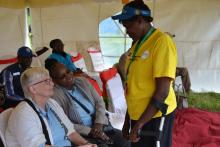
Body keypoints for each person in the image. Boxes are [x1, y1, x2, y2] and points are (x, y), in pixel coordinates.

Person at [112, 1, 177, 147]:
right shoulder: (135, 45)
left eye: (127, 25)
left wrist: (139, 124)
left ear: (140, 21)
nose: (126, 30)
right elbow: (133, 86)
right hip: (138, 115)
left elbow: (162, 92)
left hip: (155, 115)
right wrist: (128, 121)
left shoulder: (161, 42)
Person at [45, 59, 130, 147]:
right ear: (54, 81)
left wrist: (99, 123)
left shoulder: (82, 81)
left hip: (100, 125)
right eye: (63, 76)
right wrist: (90, 131)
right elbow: (64, 123)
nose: (69, 76)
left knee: (123, 140)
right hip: (82, 133)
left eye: (68, 71)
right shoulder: (54, 96)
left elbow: (99, 102)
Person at [5, 67, 97, 147]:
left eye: (50, 80)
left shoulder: (51, 103)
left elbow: (70, 132)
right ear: (33, 89)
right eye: (46, 81)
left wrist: (86, 143)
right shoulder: (24, 114)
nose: (52, 84)